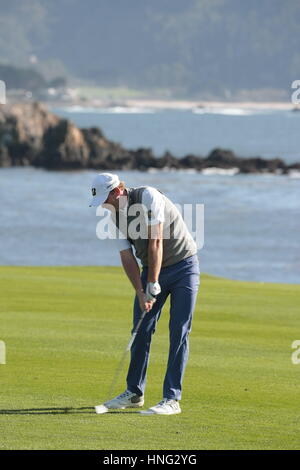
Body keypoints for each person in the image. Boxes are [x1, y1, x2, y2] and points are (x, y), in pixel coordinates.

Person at [90, 172, 200, 415]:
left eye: (106, 200)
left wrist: (153, 282)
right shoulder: (114, 219)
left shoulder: (148, 196)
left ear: (117, 190)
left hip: (184, 266)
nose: (105, 206)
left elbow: (156, 241)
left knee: (178, 330)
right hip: (151, 268)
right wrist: (141, 291)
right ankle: (134, 394)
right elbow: (127, 257)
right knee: (140, 329)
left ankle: (172, 399)